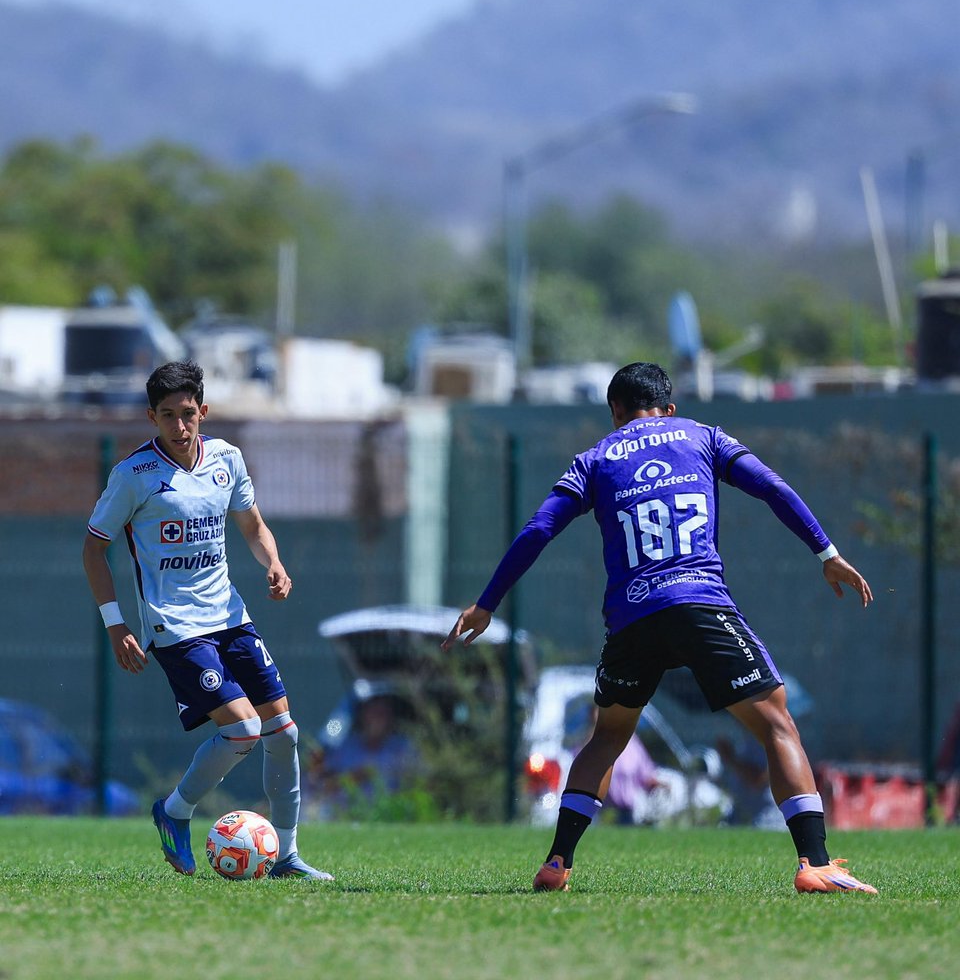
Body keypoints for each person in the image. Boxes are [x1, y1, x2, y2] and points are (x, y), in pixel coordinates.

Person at [442, 361, 877, 895]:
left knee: (607, 736)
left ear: (615, 413)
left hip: (632, 620)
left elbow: (538, 529)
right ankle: (815, 862)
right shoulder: (703, 436)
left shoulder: (595, 458)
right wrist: (826, 552)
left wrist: (486, 603)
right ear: (669, 408)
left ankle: (558, 861)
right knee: (777, 723)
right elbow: (771, 487)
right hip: (700, 603)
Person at [82, 360, 332, 880]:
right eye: (167, 415)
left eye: (188, 414)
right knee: (242, 730)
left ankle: (285, 855)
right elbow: (93, 548)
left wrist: (275, 564)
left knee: (282, 732)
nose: (179, 426)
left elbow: (253, 525)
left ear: (204, 412)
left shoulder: (226, 459)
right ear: (152, 417)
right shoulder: (134, 476)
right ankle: (174, 811)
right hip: (173, 626)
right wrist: (116, 624)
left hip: (230, 615)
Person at [310, 692, 417, 813]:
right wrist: (353, 778)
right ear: (363, 715)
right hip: (346, 813)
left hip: (392, 813)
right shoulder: (344, 746)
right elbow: (322, 784)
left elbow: (418, 784)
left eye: (383, 713)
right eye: (374, 712)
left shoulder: (403, 747)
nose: (378, 719)